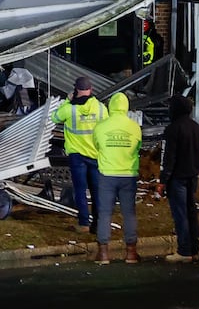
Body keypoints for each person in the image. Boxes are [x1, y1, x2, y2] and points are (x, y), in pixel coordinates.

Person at [91, 92, 142, 265]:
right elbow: (138, 147)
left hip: (106, 174)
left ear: (110, 106)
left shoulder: (101, 126)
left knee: (105, 213)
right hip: (128, 175)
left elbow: (96, 145)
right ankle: (131, 253)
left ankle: (104, 254)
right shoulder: (134, 127)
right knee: (129, 213)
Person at [52, 76, 107, 234]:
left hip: (77, 156)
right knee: (97, 190)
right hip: (96, 155)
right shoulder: (101, 108)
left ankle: (84, 223)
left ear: (75, 90)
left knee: (80, 190)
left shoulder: (70, 108)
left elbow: (54, 117)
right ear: (91, 89)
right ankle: (99, 223)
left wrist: (67, 100)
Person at [161, 94, 199, 263]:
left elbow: (169, 157)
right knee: (191, 213)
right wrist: (197, 170)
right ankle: (194, 249)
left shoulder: (172, 129)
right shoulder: (196, 128)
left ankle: (184, 250)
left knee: (181, 214)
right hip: (192, 177)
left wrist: (163, 179)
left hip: (177, 178)